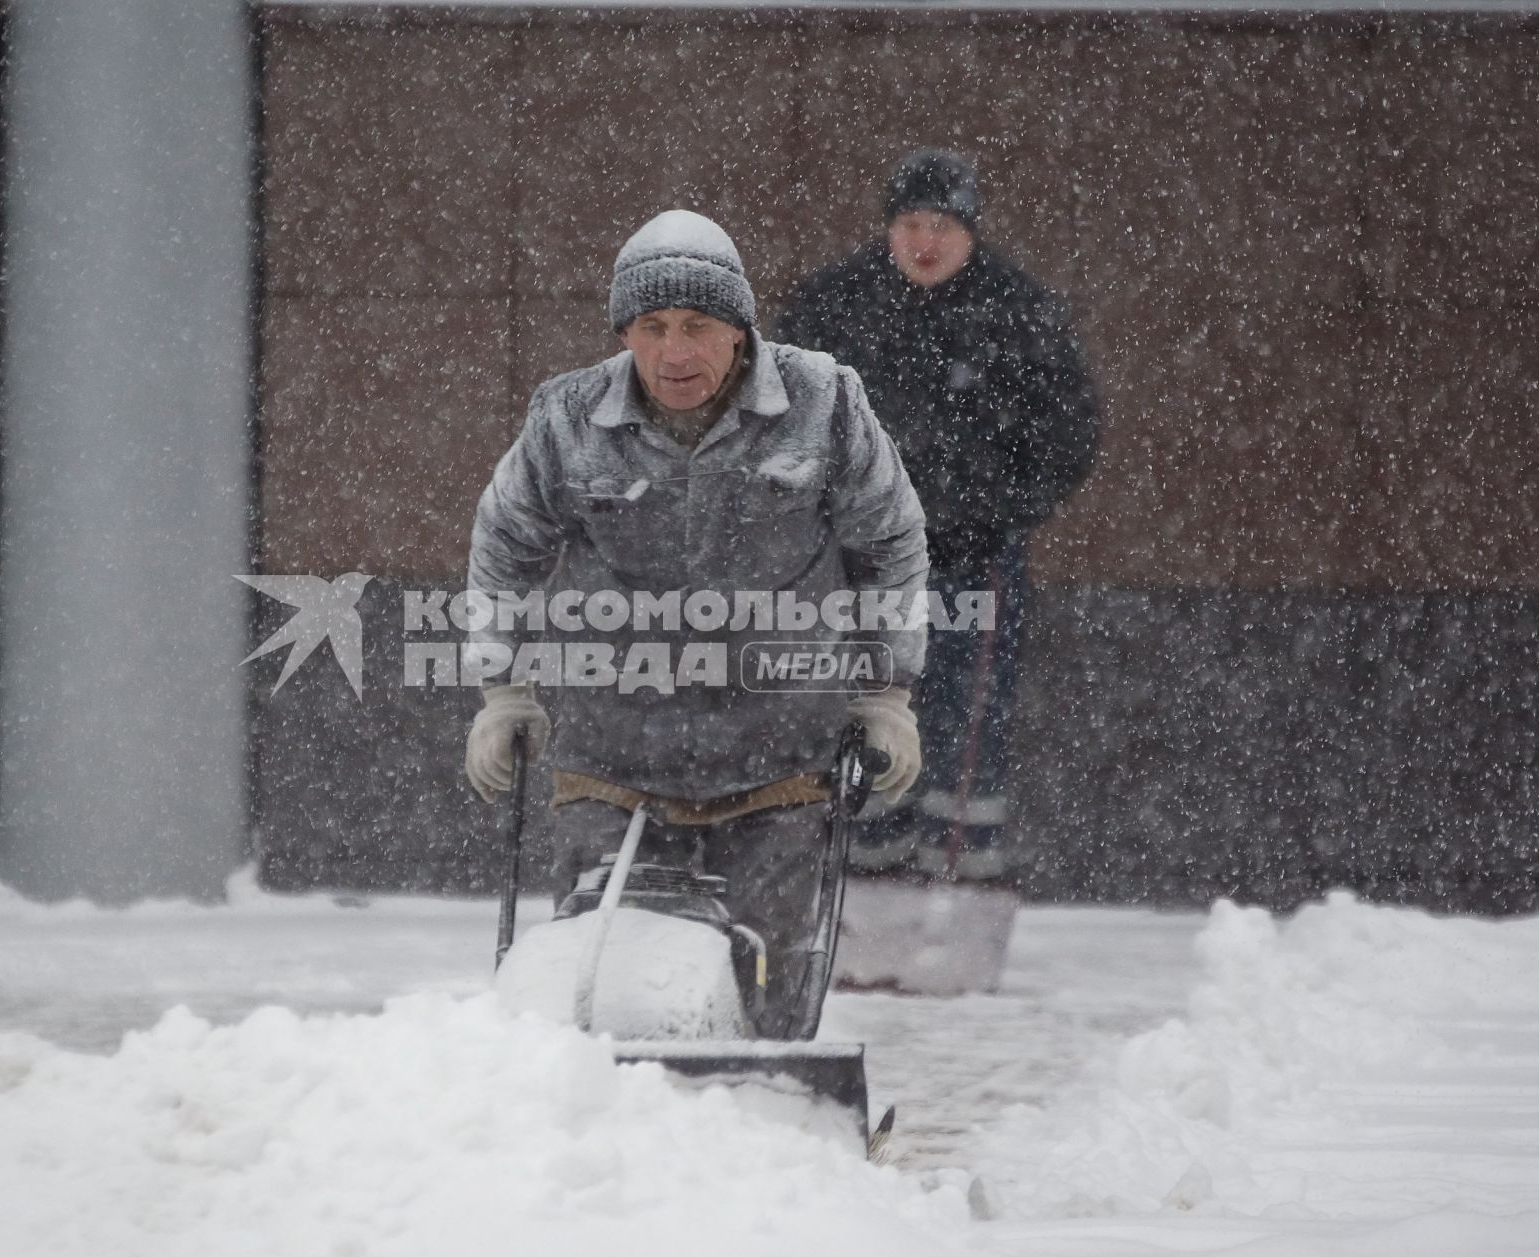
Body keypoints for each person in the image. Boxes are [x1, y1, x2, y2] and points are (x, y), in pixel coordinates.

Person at [463, 210, 930, 1037]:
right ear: (625, 331)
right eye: (652, 327)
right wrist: (504, 691)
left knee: (767, 997)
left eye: (698, 326)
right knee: (598, 982)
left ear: (740, 327)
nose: (675, 353)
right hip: (612, 759)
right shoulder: (567, 419)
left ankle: (770, 1135)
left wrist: (886, 695)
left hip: (781, 760)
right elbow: (505, 550)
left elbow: (890, 546)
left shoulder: (824, 404)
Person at [773, 148, 1100, 900]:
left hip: (971, 556)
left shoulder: (1019, 312)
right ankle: (866, 870)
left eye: (943, 225)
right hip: (857, 558)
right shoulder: (834, 305)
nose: (926, 240)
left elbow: (1070, 430)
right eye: (912, 223)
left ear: (971, 232)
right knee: (864, 699)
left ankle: (961, 879)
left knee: (967, 709)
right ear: (889, 228)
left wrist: (1000, 513)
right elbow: (780, 412)